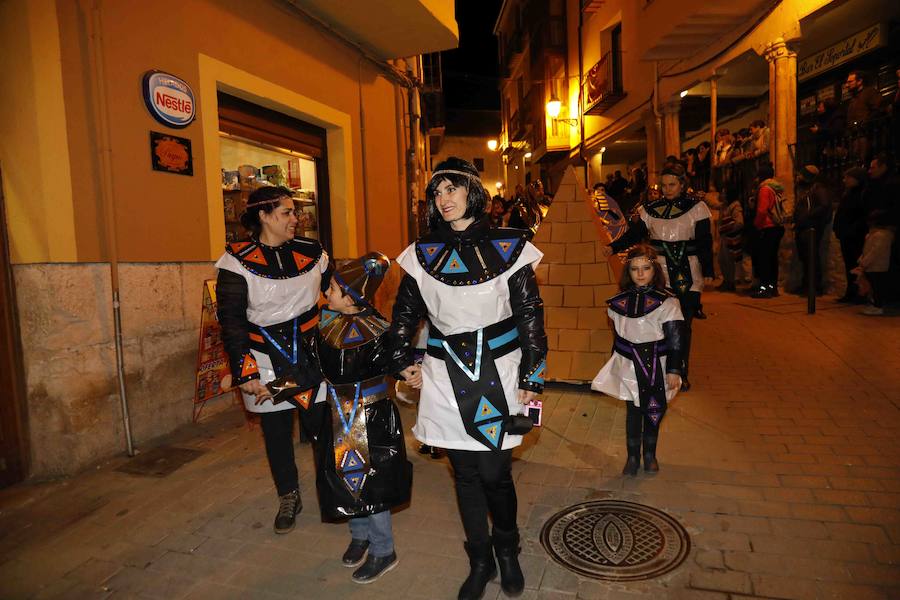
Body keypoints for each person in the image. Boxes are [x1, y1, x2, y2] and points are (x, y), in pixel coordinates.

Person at [388, 157, 546, 600]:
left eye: (452, 189)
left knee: (495, 474)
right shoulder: (422, 254)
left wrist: (533, 377)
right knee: (466, 475)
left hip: (500, 371)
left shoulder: (511, 247)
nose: (445, 199)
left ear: (473, 192)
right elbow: (404, 315)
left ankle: (508, 551)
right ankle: (480, 560)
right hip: (442, 376)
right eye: (437, 193)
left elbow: (530, 315)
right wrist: (402, 359)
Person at [215, 185, 330, 534]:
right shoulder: (235, 262)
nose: (296, 219)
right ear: (263, 216)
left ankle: (335, 491)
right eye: (286, 213)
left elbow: (336, 294)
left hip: (312, 362)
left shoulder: (314, 252)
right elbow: (232, 321)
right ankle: (288, 495)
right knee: (277, 434)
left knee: (323, 430)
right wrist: (244, 370)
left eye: (295, 212)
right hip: (265, 362)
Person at [314, 252, 412, 583]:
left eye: (332, 288)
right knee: (344, 477)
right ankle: (360, 536)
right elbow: (309, 368)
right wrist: (274, 385)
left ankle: (384, 550)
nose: (326, 293)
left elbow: (398, 360)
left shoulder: (379, 329)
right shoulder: (325, 324)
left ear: (351, 296)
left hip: (373, 418)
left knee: (374, 483)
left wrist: (411, 371)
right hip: (338, 416)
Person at [610, 163, 713, 392]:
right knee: (659, 323)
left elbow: (705, 242)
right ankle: (661, 367)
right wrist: (612, 247)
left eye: (672, 185)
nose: (667, 189)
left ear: (682, 184)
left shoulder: (699, 208)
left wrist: (709, 272)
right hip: (658, 274)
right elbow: (634, 235)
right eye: (664, 185)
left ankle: (680, 370)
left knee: (683, 325)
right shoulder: (648, 209)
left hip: (689, 272)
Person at [592, 244, 685, 475]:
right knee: (633, 411)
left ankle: (649, 454)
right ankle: (632, 456)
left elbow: (676, 340)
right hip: (628, 366)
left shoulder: (668, 303)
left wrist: (674, 369)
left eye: (645, 268)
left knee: (653, 409)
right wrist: (615, 362)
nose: (641, 274)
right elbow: (618, 336)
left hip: (657, 364)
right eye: (635, 269)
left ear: (655, 270)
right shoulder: (617, 303)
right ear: (628, 272)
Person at [792, 165, 835, 295]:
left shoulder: (818, 188)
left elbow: (824, 205)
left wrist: (808, 215)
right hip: (804, 227)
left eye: (801, 174)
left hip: (811, 228)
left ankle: (814, 287)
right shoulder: (807, 189)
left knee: (811, 257)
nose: (798, 177)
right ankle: (806, 284)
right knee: (805, 257)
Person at [750, 163, 786, 298]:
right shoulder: (775, 188)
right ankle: (772, 287)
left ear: (760, 176)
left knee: (764, 259)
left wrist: (756, 225)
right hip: (776, 227)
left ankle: (765, 289)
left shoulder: (765, 189)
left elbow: (762, 210)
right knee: (772, 258)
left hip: (767, 227)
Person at [833, 167, 868, 302]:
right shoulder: (848, 194)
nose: (845, 180)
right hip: (846, 235)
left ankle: (859, 294)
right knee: (849, 264)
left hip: (855, 236)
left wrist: (850, 230)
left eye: (848, 177)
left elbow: (862, 217)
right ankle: (850, 292)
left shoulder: (862, 194)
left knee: (856, 265)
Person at [855, 209, 896, 316]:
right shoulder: (873, 234)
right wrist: (862, 259)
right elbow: (867, 249)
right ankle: (873, 304)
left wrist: (864, 262)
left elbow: (875, 252)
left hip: (878, 266)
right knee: (872, 287)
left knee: (877, 287)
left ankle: (878, 306)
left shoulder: (883, 235)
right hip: (871, 266)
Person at [716, 183, 745, 292]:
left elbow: (739, 222)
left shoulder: (735, 206)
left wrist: (726, 228)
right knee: (722, 260)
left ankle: (730, 282)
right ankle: (727, 281)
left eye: (724, 192)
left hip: (730, 238)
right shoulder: (726, 205)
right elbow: (715, 205)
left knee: (728, 260)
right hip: (725, 237)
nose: (722, 194)